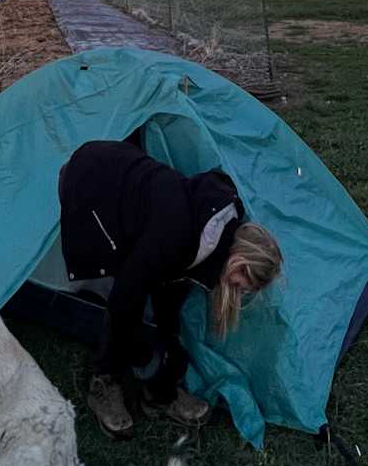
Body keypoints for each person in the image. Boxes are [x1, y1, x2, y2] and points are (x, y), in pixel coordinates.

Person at [57, 133, 283, 439]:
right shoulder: (175, 236)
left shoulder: (215, 239)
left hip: (130, 187)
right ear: (239, 263)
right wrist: (140, 355)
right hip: (90, 181)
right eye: (245, 285)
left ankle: (160, 392)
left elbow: (171, 293)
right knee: (125, 292)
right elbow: (128, 295)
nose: (240, 292)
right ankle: (104, 380)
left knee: (167, 302)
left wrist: (167, 362)